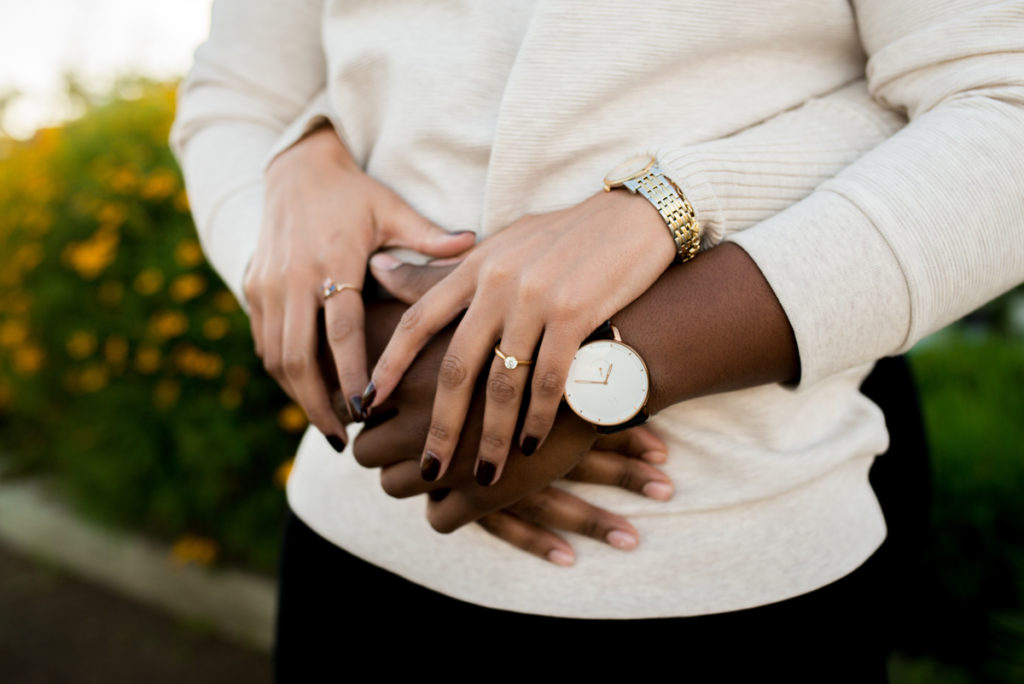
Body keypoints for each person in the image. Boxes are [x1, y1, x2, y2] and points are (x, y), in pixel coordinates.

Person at [171, 0, 1024, 679]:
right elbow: (242, 96)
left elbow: (1002, 108)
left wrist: (591, 359)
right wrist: (321, 282)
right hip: (359, 543)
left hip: (722, 566)